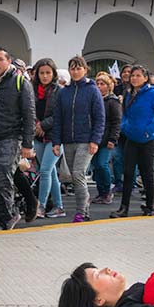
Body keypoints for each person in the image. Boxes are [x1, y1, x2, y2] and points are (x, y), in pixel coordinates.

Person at [0, 45, 36, 231]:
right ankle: (6, 211)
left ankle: (5, 218)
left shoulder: (20, 82)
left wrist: (27, 144)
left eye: (0, 59)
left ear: (8, 61)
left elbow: (29, 114)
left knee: (4, 178)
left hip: (10, 137)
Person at [49, 55, 105, 224]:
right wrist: (56, 142)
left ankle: (81, 212)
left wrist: (95, 140)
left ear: (85, 70)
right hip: (68, 140)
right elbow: (58, 118)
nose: (75, 71)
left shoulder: (92, 90)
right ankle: (84, 203)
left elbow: (100, 118)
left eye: (78, 68)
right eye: (72, 68)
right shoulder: (64, 92)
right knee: (74, 177)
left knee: (78, 173)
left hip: (86, 140)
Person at [115, 65, 154, 218]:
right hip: (131, 139)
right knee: (128, 173)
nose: (134, 78)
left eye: (138, 75)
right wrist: (124, 126)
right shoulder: (128, 93)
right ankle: (123, 208)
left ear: (145, 78)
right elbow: (124, 113)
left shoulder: (152, 94)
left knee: (148, 174)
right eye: (133, 75)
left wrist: (149, 129)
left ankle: (150, 207)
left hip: (148, 141)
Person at [30, 58, 65, 218]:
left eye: (48, 73)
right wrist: (37, 125)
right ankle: (59, 207)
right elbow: (28, 110)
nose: (45, 76)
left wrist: (43, 125)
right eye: (42, 73)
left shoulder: (59, 91)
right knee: (49, 173)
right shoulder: (31, 89)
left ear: (53, 73)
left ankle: (41, 206)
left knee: (44, 171)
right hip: (37, 136)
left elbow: (59, 115)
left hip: (54, 136)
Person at [92, 72, 122, 203]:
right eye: (97, 83)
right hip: (94, 138)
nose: (99, 86)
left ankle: (107, 190)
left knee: (102, 164)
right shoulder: (94, 100)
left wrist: (113, 139)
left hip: (107, 139)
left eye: (102, 84)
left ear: (108, 86)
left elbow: (116, 122)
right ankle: (101, 192)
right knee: (95, 165)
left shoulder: (112, 101)